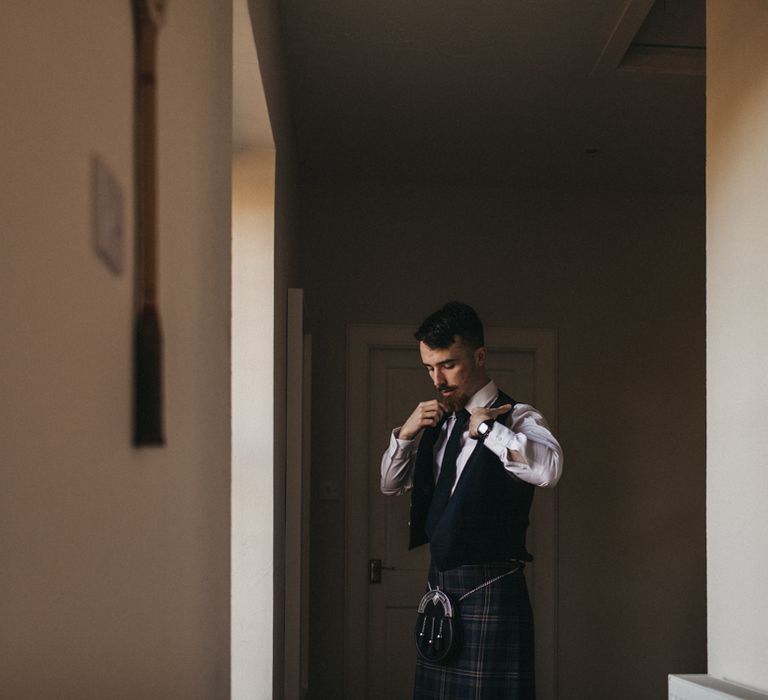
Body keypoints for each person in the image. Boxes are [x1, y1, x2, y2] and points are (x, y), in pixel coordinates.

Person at [380, 301, 563, 699]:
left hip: (492, 594)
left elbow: (548, 469)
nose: (437, 379)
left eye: (447, 364)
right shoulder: (439, 425)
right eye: (429, 368)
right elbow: (391, 484)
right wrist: (406, 434)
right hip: (441, 593)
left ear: (479, 356)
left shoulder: (516, 418)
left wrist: (487, 431)